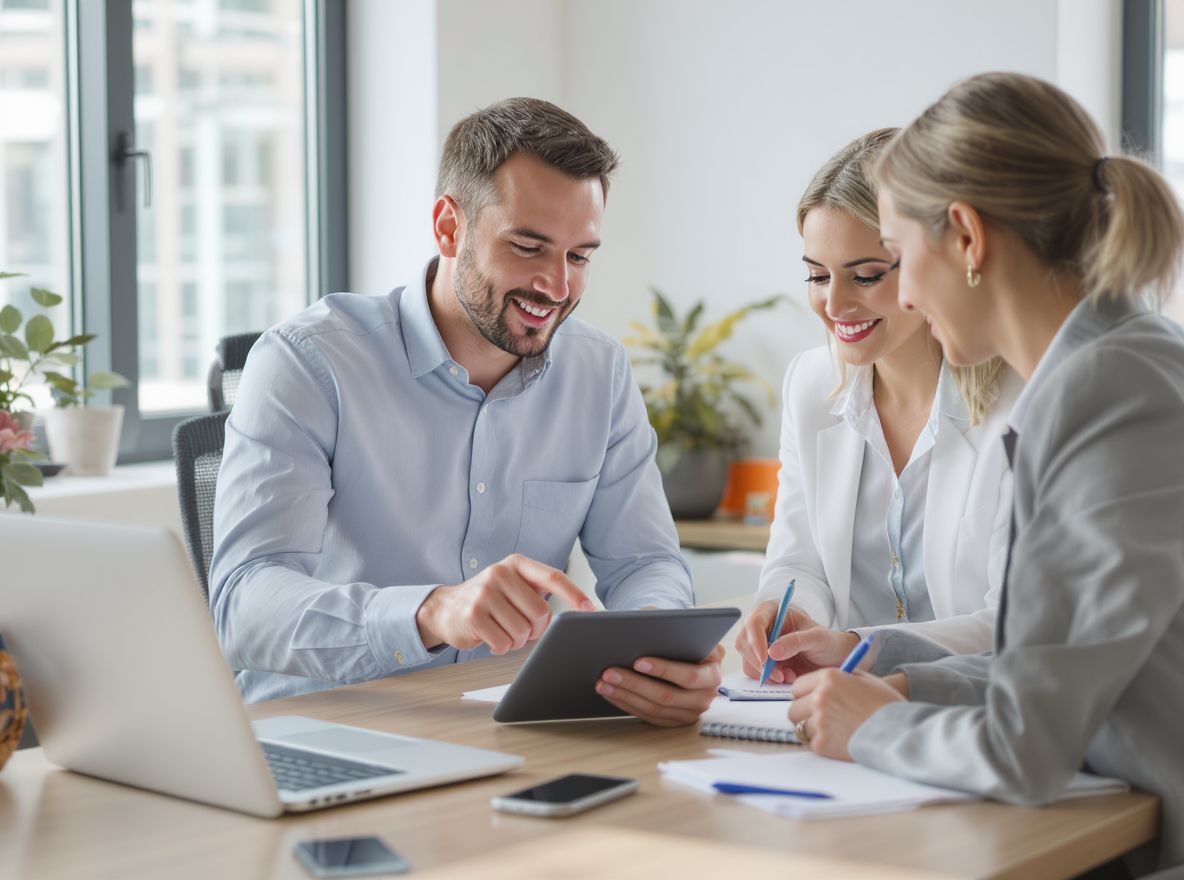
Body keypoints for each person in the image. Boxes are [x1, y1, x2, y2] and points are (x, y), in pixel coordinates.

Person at [210, 97, 722, 726]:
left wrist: (656, 649)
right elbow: (245, 605)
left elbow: (646, 564)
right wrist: (430, 613)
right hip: (328, 730)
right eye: (528, 247)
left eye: (579, 256)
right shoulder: (309, 363)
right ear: (449, 227)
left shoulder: (599, 373)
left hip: (506, 727)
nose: (557, 288)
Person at [787, 73, 1184, 876]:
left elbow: (1023, 746)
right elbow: (1040, 662)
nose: (894, 294)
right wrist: (901, 689)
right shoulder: (1103, 368)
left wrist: (873, 727)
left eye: (896, 259)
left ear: (966, 238)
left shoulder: (1111, 390)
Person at [735, 129, 1022, 685]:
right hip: (843, 715)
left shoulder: (1021, 399)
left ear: (930, 261)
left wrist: (856, 647)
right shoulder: (811, 385)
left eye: (865, 275)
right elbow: (798, 561)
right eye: (817, 275)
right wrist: (789, 613)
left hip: (964, 712)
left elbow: (1016, 623)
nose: (834, 304)